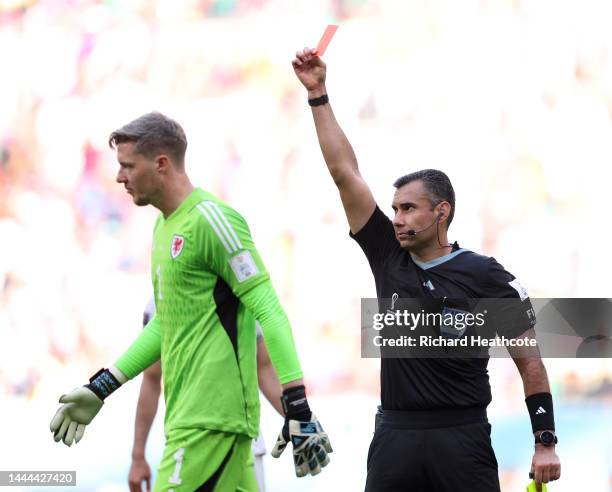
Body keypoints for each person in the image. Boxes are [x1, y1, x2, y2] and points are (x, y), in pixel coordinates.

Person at [292, 47, 560, 492]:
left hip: (462, 437)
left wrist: (545, 440)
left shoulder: (487, 276)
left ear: (441, 212)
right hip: (395, 436)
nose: (396, 218)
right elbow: (345, 173)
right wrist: (318, 93)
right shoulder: (386, 254)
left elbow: (529, 361)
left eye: (408, 208)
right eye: (394, 208)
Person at [49, 112, 332, 491]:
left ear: (161, 164)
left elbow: (269, 308)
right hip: (200, 425)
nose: (120, 177)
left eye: (128, 166)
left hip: (207, 428)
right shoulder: (164, 226)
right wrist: (102, 385)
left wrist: (296, 404)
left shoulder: (213, 221)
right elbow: (165, 325)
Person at [128, 298, 283, 492]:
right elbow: (151, 379)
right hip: (189, 442)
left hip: (243, 440)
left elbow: (264, 368)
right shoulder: (160, 298)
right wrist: (138, 455)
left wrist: (300, 416)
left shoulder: (241, 290)